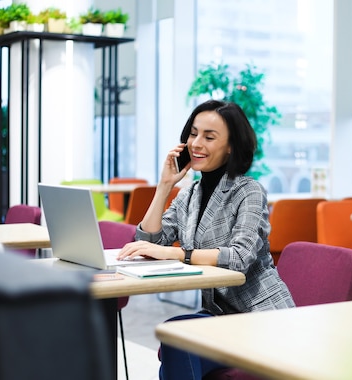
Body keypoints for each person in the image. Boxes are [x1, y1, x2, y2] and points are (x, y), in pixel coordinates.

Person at [118, 99, 294, 379]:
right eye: (193, 133)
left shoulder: (249, 191)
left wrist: (178, 254)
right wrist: (165, 186)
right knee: (176, 335)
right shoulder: (190, 194)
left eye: (209, 137)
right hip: (219, 316)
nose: (196, 143)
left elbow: (238, 258)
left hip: (260, 317)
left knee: (179, 340)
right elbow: (151, 240)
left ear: (231, 146)